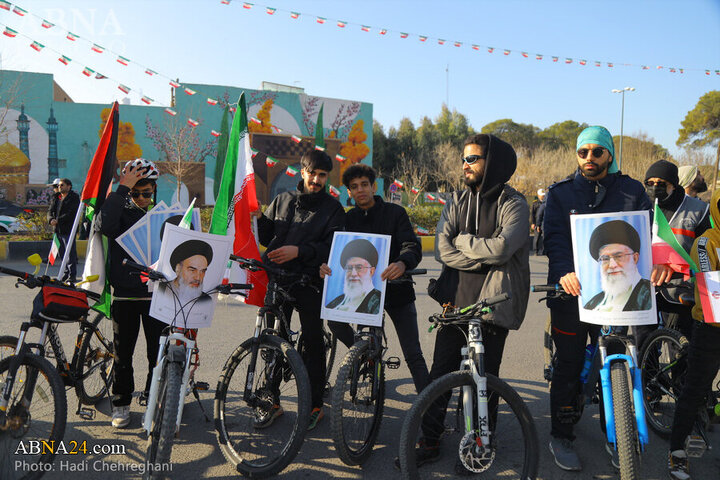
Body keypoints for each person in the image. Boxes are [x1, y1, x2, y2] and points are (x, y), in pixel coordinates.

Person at [542, 125, 672, 471]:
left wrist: (660, 262)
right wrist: (564, 272)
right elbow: (554, 240)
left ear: (609, 154)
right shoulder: (560, 194)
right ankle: (562, 434)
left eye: (596, 152)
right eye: (582, 152)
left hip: (620, 301)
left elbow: (653, 230)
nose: (588, 158)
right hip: (571, 297)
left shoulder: (632, 191)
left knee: (619, 366)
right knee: (568, 365)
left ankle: (618, 436)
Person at [412, 133, 530, 469]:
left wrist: (463, 242)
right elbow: (443, 249)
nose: (465, 165)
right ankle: (430, 440)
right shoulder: (456, 201)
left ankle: (481, 444)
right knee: (440, 377)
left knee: (486, 378)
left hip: (493, 304)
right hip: (455, 302)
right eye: (463, 159)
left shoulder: (515, 203)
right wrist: (480, 254)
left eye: (473, 158)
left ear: (493, 162)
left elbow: (504, 248)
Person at [254, 149, 345, 431]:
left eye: (322, 175)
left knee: (312, 345)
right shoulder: (282, 200)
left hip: (310, 283)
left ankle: (315, 404)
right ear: (302, 171)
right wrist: (257, 217)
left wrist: (299, 251)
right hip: (277, 281)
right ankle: (272, 400)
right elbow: (266, 236)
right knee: (272, 342)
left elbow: (332, 248)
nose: (316, 179)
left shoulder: (333, 209)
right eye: (312, 173)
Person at [320, 163, 430, 395]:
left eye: (364, 185)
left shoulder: (395, 213)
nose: (360, 190)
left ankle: (432, 413)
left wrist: (402, 263)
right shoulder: (348, 219)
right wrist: (326, 267)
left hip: (398, 292)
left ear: (373, 187)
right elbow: (336, 249)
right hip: (363, 297)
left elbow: (411, 245)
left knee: (413, 354)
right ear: (348, 192)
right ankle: (363, 356)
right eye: (353, 187)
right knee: (339, 323)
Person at [96, 158, 166, 428]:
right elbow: (105, 226)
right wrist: (122, 188)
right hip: (124, 295)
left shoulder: (162, 215)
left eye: (145, 193)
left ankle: (153, 399)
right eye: (135, 192)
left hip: (156, 294)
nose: (140, 198)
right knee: (122, 355)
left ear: (154, 191)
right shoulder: (119, 212)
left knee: (155, 354)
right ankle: (121, 403)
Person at [667, 188, 720, 480]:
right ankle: (677, 452)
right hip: (710, 328)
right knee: (694, 392)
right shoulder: (706, 241)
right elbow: (712, 293)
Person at [645, 160, 710, 336]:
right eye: (650, 183)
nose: (654, 187)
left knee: (679, 349)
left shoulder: (700, 210)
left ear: (673, 185)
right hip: (645, 289)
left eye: (661, 183)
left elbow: (705, 254)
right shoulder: (642, 206)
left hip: (681, 289)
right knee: (642, 343)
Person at [582, 220, 652, 312]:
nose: (612, 265)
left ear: (635, 258)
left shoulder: (649, 295)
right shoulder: (594, 303)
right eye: (605, 259)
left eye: (618, 256)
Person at [325, 238, 382, 314]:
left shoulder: (378, 302)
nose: (353, 274)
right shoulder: (336, 302)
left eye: (359, 267)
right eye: (349, 268)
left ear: (371, 271)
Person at [48, 178, 80, 282]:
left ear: (69, 186)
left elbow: (72, 213)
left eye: (62, 185)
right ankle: (65, 273)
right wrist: (51, 219)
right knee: (62, 253)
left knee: (70, 254)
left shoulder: (74, 198)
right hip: (57, 230)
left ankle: (72, 275)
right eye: (59, 185)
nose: (59, 187)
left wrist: (58, 220)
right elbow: (50, 211)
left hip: (68, 229)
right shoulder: (56, 197)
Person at [532, 189, 546, 255]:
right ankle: (535, 251)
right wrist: (533, 223)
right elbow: (532, 214)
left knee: (544, 237)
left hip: (544, 222)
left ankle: (544, 251)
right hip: (537, 222)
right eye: (541, 195)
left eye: (543, 195)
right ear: (538, 195)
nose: (543, 197)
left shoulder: (546, 203)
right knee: (537, 237)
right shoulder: (535, 203)